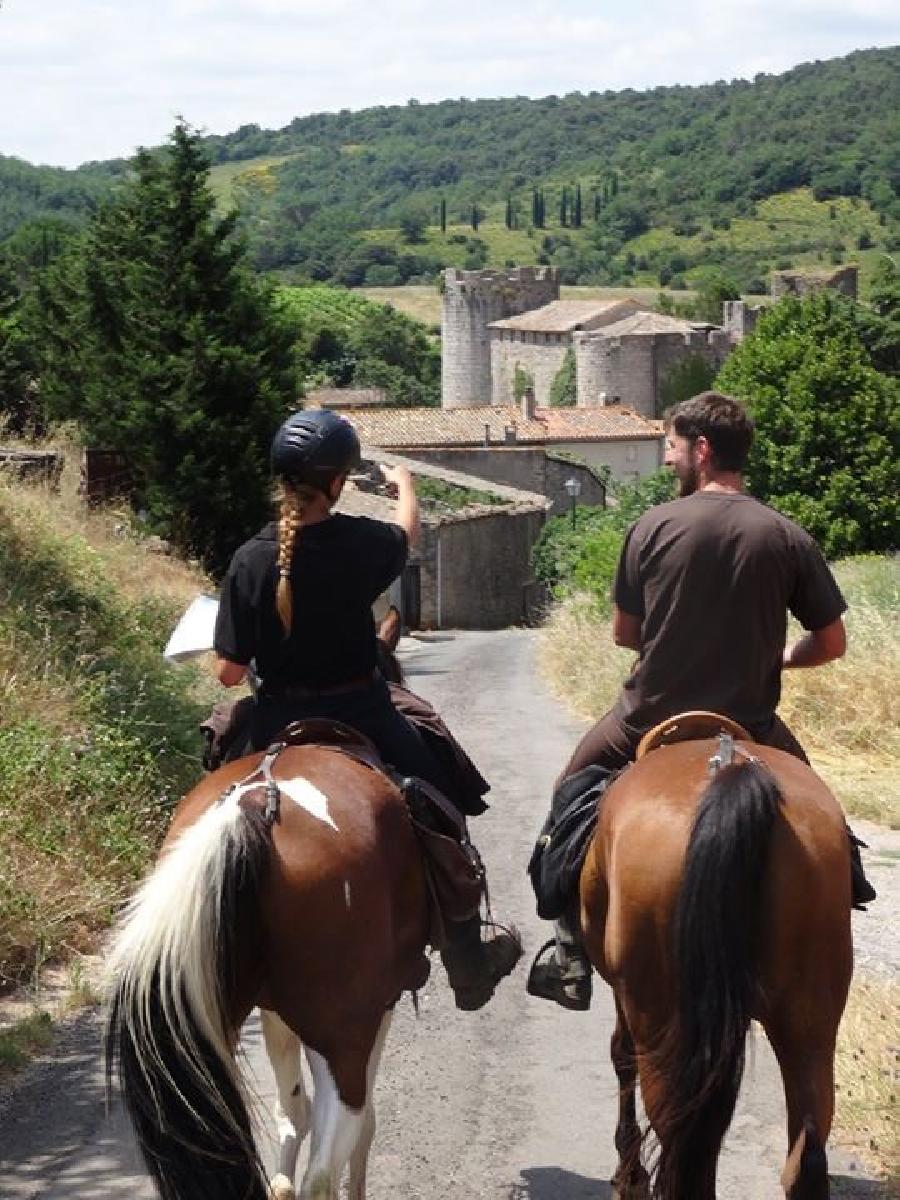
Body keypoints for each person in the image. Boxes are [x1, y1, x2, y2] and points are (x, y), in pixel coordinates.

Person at [528, 391, 876, 1010]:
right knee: (829, 826)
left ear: (703, 450)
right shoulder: (786, 534)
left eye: (671, 446)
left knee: (566, 801)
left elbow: (624, 635)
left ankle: (568, 953)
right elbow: (831, 642)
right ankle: (833, 909)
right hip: (751, 725)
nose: (667, 459)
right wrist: (779, 658)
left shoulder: (652, 527)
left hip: (645, 719)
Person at [213, 408, 520, 1011]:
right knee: (441, 803)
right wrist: (406, 487)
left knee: (212, 807)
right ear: (335, 482)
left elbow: (227, 672)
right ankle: (465, 957)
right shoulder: (358, 542)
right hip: (363, 712)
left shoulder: (250, 560)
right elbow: (406, 535)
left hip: (275, 720)